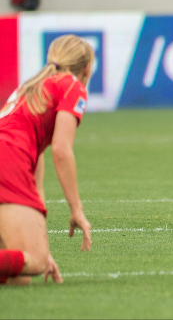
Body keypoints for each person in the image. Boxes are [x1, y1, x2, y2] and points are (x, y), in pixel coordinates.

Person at [0, 35, 94, 285]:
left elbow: (36, 183)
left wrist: (41, 247)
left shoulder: (32, 87)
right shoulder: (72, 86)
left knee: (21, 276)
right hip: (7, 159)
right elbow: (61, 150)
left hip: (10, 159)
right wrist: (76, 209)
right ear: (87, 68)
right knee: (35, 262)